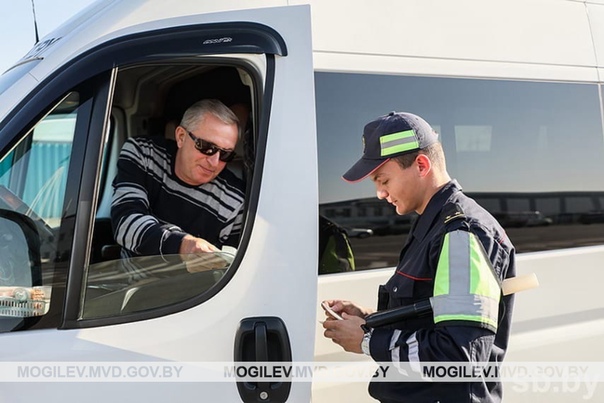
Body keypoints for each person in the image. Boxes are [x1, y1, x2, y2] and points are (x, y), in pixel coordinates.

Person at [322, 111, 516, 402]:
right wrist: (371, 319)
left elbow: (457, 357)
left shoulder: (461, 233)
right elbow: (430, 318)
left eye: (383, 180)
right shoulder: (433, 225)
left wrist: (367, 341)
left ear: (422, 165)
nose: (379, 193)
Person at [110, 99, 245, 264]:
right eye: (207, 147)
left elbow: (229, 266)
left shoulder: (236, 201)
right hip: (128, 278)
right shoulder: (143, 153)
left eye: (225, 154)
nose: (214, 162)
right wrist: (183, 245)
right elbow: (125, 222)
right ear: (181, 137)